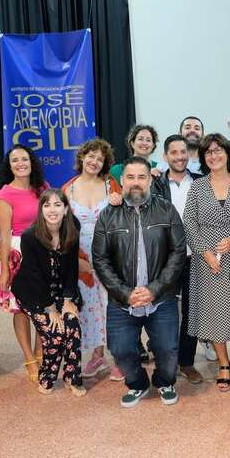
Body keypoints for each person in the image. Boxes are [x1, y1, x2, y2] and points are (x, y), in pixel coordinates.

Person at [92, 156, 187, 407]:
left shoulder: (166, 209)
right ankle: (138, 384)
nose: (136, 182)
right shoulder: (108, 215)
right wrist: (125, 293)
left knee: (168, 350)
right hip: (122, 301)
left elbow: (178, 252)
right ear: (122, 181)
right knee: (121, 350)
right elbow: (100, 259)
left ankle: (164, 382)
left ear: (150, 181)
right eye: (131, 177)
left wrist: (155, 289)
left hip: (161, 298)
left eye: (142, 177)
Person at [184, 133, 230, 392]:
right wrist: (205, 252)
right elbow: (189, 221)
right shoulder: (198, 186)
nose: (214, 155)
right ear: (203, 157)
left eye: (218, 150)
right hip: (208, 260)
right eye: (208, 152)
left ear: (227, 153)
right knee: (214, 311)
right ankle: (223, 364)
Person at [11, 189, 86, 397]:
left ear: (66, 209)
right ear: (41, 210)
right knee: (55, 333)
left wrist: (68, 300)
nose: (52, 210)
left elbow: (72, 267)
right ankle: (47, 378)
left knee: (72, 327)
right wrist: (51, 308)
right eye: (47, 205)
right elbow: (34, 276)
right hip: (34, 293)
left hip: (61, 289)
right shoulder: (30, 236)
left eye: (57, 205)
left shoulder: (73, 228)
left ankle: (73, 378)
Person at [61, 139, 125, 382]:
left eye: (100, 158)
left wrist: (121, 202)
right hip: (80, 258)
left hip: (110, 256)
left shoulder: (111, 185)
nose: (94, 161)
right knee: (90, 307)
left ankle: (120, 357)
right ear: (82, 157)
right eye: (91, 156)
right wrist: (75, 261)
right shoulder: (68, 189)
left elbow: (125, 220)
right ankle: (98, 356)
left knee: (113, 307)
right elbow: (62, 228)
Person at [152, 135, 204, 384]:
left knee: (192, 313)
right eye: (174, 152)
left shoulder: (201, 182)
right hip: (166, 260)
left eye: (183, 152)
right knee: (165, 313)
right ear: (165, 156)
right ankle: (166, 363)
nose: (180, 157)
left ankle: (186, 362)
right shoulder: (156, 184)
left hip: (196, 257)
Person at [0, 144, 48, 383]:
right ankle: (29, 358)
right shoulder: (5, 195)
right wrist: (6, 269)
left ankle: (41, 351)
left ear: (31, 162)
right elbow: (4, 235)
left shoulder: (42, 188)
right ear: (10, 166)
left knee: (43, 306)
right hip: (17, 254)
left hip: (42, 251)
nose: (20, 164)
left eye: (24, 159)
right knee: (21, 309)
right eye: (15, 160)